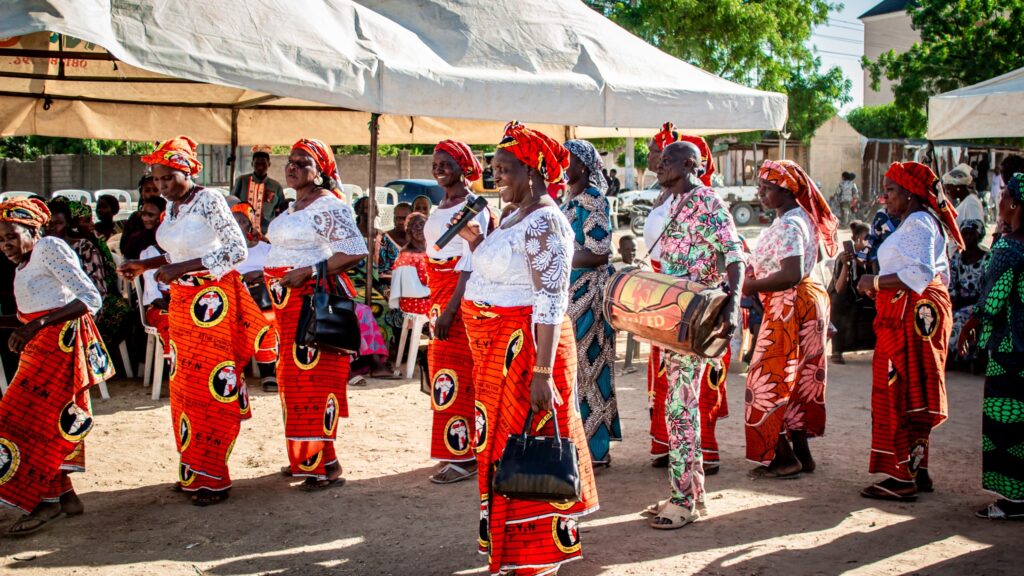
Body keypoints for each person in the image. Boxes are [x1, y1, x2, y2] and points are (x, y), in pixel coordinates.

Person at [456, 121, 598, 574]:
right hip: (498, 355)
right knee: (503, 450)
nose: (495, 176)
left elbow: (551, 298)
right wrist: (479, 242)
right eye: (494, 168)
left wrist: (541, 372)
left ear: (533, 170)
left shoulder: (545, 221)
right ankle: (513, 551)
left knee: (530, 450)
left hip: (528, 355)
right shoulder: (515, 217)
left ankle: (539, 559)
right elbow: (509, 272)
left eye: (504, 169)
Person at [118, 136, 273, 507]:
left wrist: (180, 268)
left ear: (187, 171)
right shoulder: (172, 208)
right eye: (157, 180)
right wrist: (146, 264)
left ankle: (213, 475)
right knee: (185, 389)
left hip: (211, 305)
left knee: (210, 389)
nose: (161, 186)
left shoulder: (209, 200)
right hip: (182, 305)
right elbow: (178, 253)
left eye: (168, 178)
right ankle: (193, 467)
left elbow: (236, 250)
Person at [644, 135, 744, 529]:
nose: (660, 164)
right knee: (678, 406)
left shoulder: (709, 203)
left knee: (681, 408)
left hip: (697, 317)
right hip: (674, 319)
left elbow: (735, 256)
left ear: (690, 165)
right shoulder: (673, 203)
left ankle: (683, 500)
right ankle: (691, 493)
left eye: (668, 159)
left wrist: (731, 306)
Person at [0, 198, 109, 536]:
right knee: (41, 423)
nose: (5, 245)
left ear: (34, 231)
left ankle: (45, 503)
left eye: (12, 236)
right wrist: (20, 325)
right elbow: (34, 311)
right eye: (1, 239)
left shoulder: (49, 248)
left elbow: (89, 298)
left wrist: (35, 326)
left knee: (20, 420)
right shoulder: (24, 264)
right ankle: (65, 497)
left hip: (58, 347)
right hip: (38, 347)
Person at [855, 161, 963, 502]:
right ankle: (918, 469)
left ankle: (902, 477)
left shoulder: (918, 223)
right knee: (911, 391)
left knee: (898, 389)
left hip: (912, 315)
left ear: (911, 193)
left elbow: (919, 274)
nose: (885, 197)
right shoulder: (920, 221)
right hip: (911, 311)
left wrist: (874, 282)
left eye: (890, 190)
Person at [263, 138, 367, 491]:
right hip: (285, 305)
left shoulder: (328, 205)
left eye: (302, 162)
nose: (292, 167)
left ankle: (324, 465)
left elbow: (354, 251)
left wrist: (308, 270)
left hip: (309, 302)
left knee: (313, 383)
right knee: (292, 383)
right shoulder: (294, 205)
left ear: (320, 171)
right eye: (289, 161)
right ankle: (308, 457)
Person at [743, 160, 837, 479]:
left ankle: (784, 458)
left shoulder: (789, 225)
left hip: (789, 305)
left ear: (786, 191)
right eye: (760, 187)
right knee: (796, 381)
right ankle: (802, 456)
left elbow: (791, 273)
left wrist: (752, 285)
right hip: (805, 302)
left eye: (767, 188)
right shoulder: (801, 218)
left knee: (766, 380)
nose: (760, 194)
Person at [422, 139, 490, 484]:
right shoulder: (442, 205)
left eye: (446, 164)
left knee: (460, 373)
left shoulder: (473, 207)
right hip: (438, 296)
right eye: (435, 164)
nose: (439, 169)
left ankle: (465, 455)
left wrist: (450, 310)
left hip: (458, 298)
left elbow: (471, 261)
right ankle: (453, 449)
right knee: (443, 373)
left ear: (463, 168)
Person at [958, 172, 1024, 520]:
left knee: (1006, 424)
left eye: (1004, 196)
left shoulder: (1009, 248)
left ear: (1013, 203)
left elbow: (993, 299)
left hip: (1011, 349)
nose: (999, 200)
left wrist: (971, 325)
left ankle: (1012, 500)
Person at [562, 139, 620, 467]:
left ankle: (595, 450)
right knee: (575, 372)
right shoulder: (569, 200)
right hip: (570, 296)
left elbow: (599, 252)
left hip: (588, 297)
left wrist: (557, 257)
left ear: (583, 166)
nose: (561, 165)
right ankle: (580, 445)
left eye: (566, 160)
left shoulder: (593, 200)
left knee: (589, 370)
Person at [231, 202, 280, 392]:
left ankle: (268, 372)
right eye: (233, 222)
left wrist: (259, 275)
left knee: (267, 319)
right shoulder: (226, 251)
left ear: (250, 225)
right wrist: (243, 277)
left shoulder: (265, 249)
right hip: (236, 300)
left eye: (242, 222)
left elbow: (277, 272)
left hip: (263, 300)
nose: (237, 226)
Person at [828, 220, 875, 364]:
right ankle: (837, 350)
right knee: (839, 301)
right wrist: (846, 266)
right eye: (864, 239)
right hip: (847, 297)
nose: (868, 243)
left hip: (865, 296)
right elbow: (840, 289)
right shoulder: (844, 257)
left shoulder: (873, 256)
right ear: (855, 240)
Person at [947, 219, 988, 368]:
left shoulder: (987, 258)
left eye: (972, 234)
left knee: (959, 318)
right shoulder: (957, 257)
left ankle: (951, 355)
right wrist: (953, 299)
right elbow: (951, 283)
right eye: (965, 234)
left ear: (979, 236)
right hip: (958, 301)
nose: (968, 237)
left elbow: (987, 289)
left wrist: (968, 301)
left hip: (978, 304)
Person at [231, 145, 285, 233]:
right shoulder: (242, 181)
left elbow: (281, 210)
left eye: (263, 163)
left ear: (269, 164)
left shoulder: (276, 186)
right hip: (243, 232)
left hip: (267, 233)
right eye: (257, 163)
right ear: (252, 164)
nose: (260, 166)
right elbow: (232, 204)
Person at [389, 212, 430, 315]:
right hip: (415, 306)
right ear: (409, 231)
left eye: (422, 224)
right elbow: (411, 290)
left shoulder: (432, 251)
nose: (419, 228)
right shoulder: (406, 256)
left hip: (429, 301)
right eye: (414, 226)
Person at [119, 174, 161, 257]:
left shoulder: (167, 215)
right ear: (141, 192)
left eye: (155, 190)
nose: (151, 193)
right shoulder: (135, 218)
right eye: (147, 190)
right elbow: (124, 247)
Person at [121, 196, 167, 261]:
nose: (145, 219)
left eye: (150, 215)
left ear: (163, 215)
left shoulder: (171, 238)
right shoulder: (136, 240)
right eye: (143, 214)